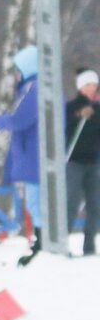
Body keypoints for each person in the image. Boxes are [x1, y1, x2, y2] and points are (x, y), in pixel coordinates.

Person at [0, 46, 43, 261]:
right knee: (34, 202)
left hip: (34, 155)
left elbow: (20, 120)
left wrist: (0, 121)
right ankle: (40, 240)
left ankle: (41, 242)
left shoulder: (33, 89)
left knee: (35, 202)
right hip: (32, 153)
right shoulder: (35, 88)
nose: (16, 74)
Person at [66, 68, 99, 256]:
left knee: (95, 205)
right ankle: (63, 241)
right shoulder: (71, 107)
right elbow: (67, 127)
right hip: (74, 162)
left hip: (93, 162)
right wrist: (79, 116)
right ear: (80, 87)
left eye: (94, 85)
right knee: (71, 203)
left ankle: (89, 244)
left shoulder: (97, 108)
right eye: (88, 85)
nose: (92, 88)